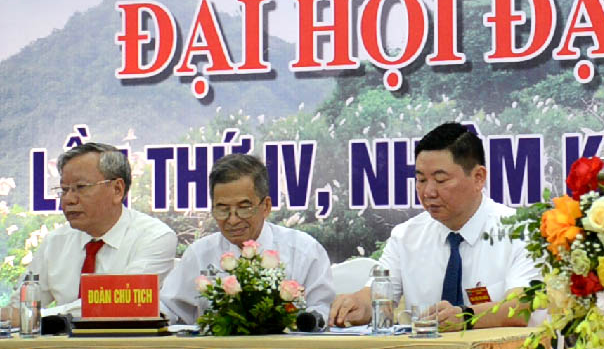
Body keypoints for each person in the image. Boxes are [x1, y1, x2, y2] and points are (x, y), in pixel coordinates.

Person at [329, 122, 539, 330]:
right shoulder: (406, 236)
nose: (428, 192)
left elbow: (520, 308)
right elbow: (377, 297)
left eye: (440, 180)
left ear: (478, 177)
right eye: (421, 180)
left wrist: (465, 317)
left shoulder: (522, 231)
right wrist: (358, 304)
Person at [159, 153, 336, 324]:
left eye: (244, 208)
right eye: (222, 209)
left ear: (266, 206)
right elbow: (169, 308)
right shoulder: (199, 254)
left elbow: (322, 308)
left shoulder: (304, 251)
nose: (233, 219)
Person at [27, 142, 177, 316]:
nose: (68, 199)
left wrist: (39, 317)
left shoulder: (154, 237)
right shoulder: (55, 241)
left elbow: (121, 303)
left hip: (124, 342)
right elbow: (20, 306)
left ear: (117, 189)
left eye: (80, 187)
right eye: (64, 190)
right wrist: (23, 314)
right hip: (62, 343)